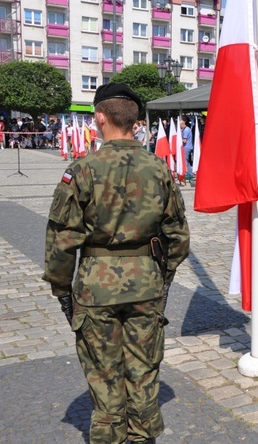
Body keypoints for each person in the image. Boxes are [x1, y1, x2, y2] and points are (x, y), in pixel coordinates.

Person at [42, 82, 190, 444]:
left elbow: (61, 243)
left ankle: (109, 436)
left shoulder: (81, 170)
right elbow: (178, 237)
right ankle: (142, 437)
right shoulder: (159, 169)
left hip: (96, 290)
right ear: (136, 123)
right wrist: (163, 278)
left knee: (103, 373)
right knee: (143, 370)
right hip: (147, 285)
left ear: (100, 117)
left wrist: (63, 292)